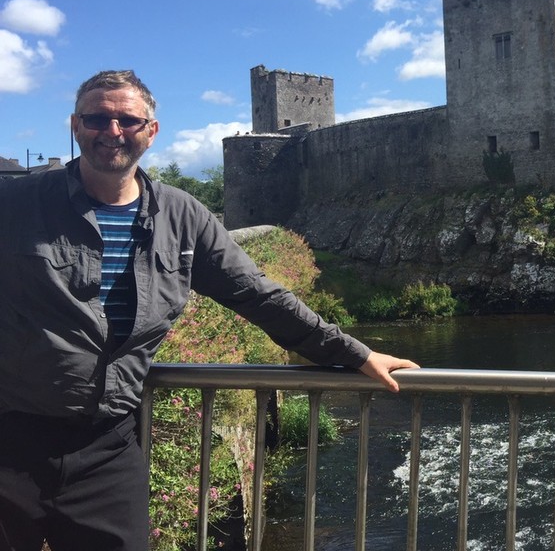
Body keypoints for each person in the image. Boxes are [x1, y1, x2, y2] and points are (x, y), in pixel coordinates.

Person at [0, 70, 419, 551]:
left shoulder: (182, 217)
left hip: (108, 449)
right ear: (76, 125)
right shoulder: (14, 203)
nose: (112, 131)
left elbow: (256, 293)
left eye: (127, 120)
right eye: (97, 118)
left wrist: (354, 353)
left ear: (150, 131)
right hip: (10, 440)